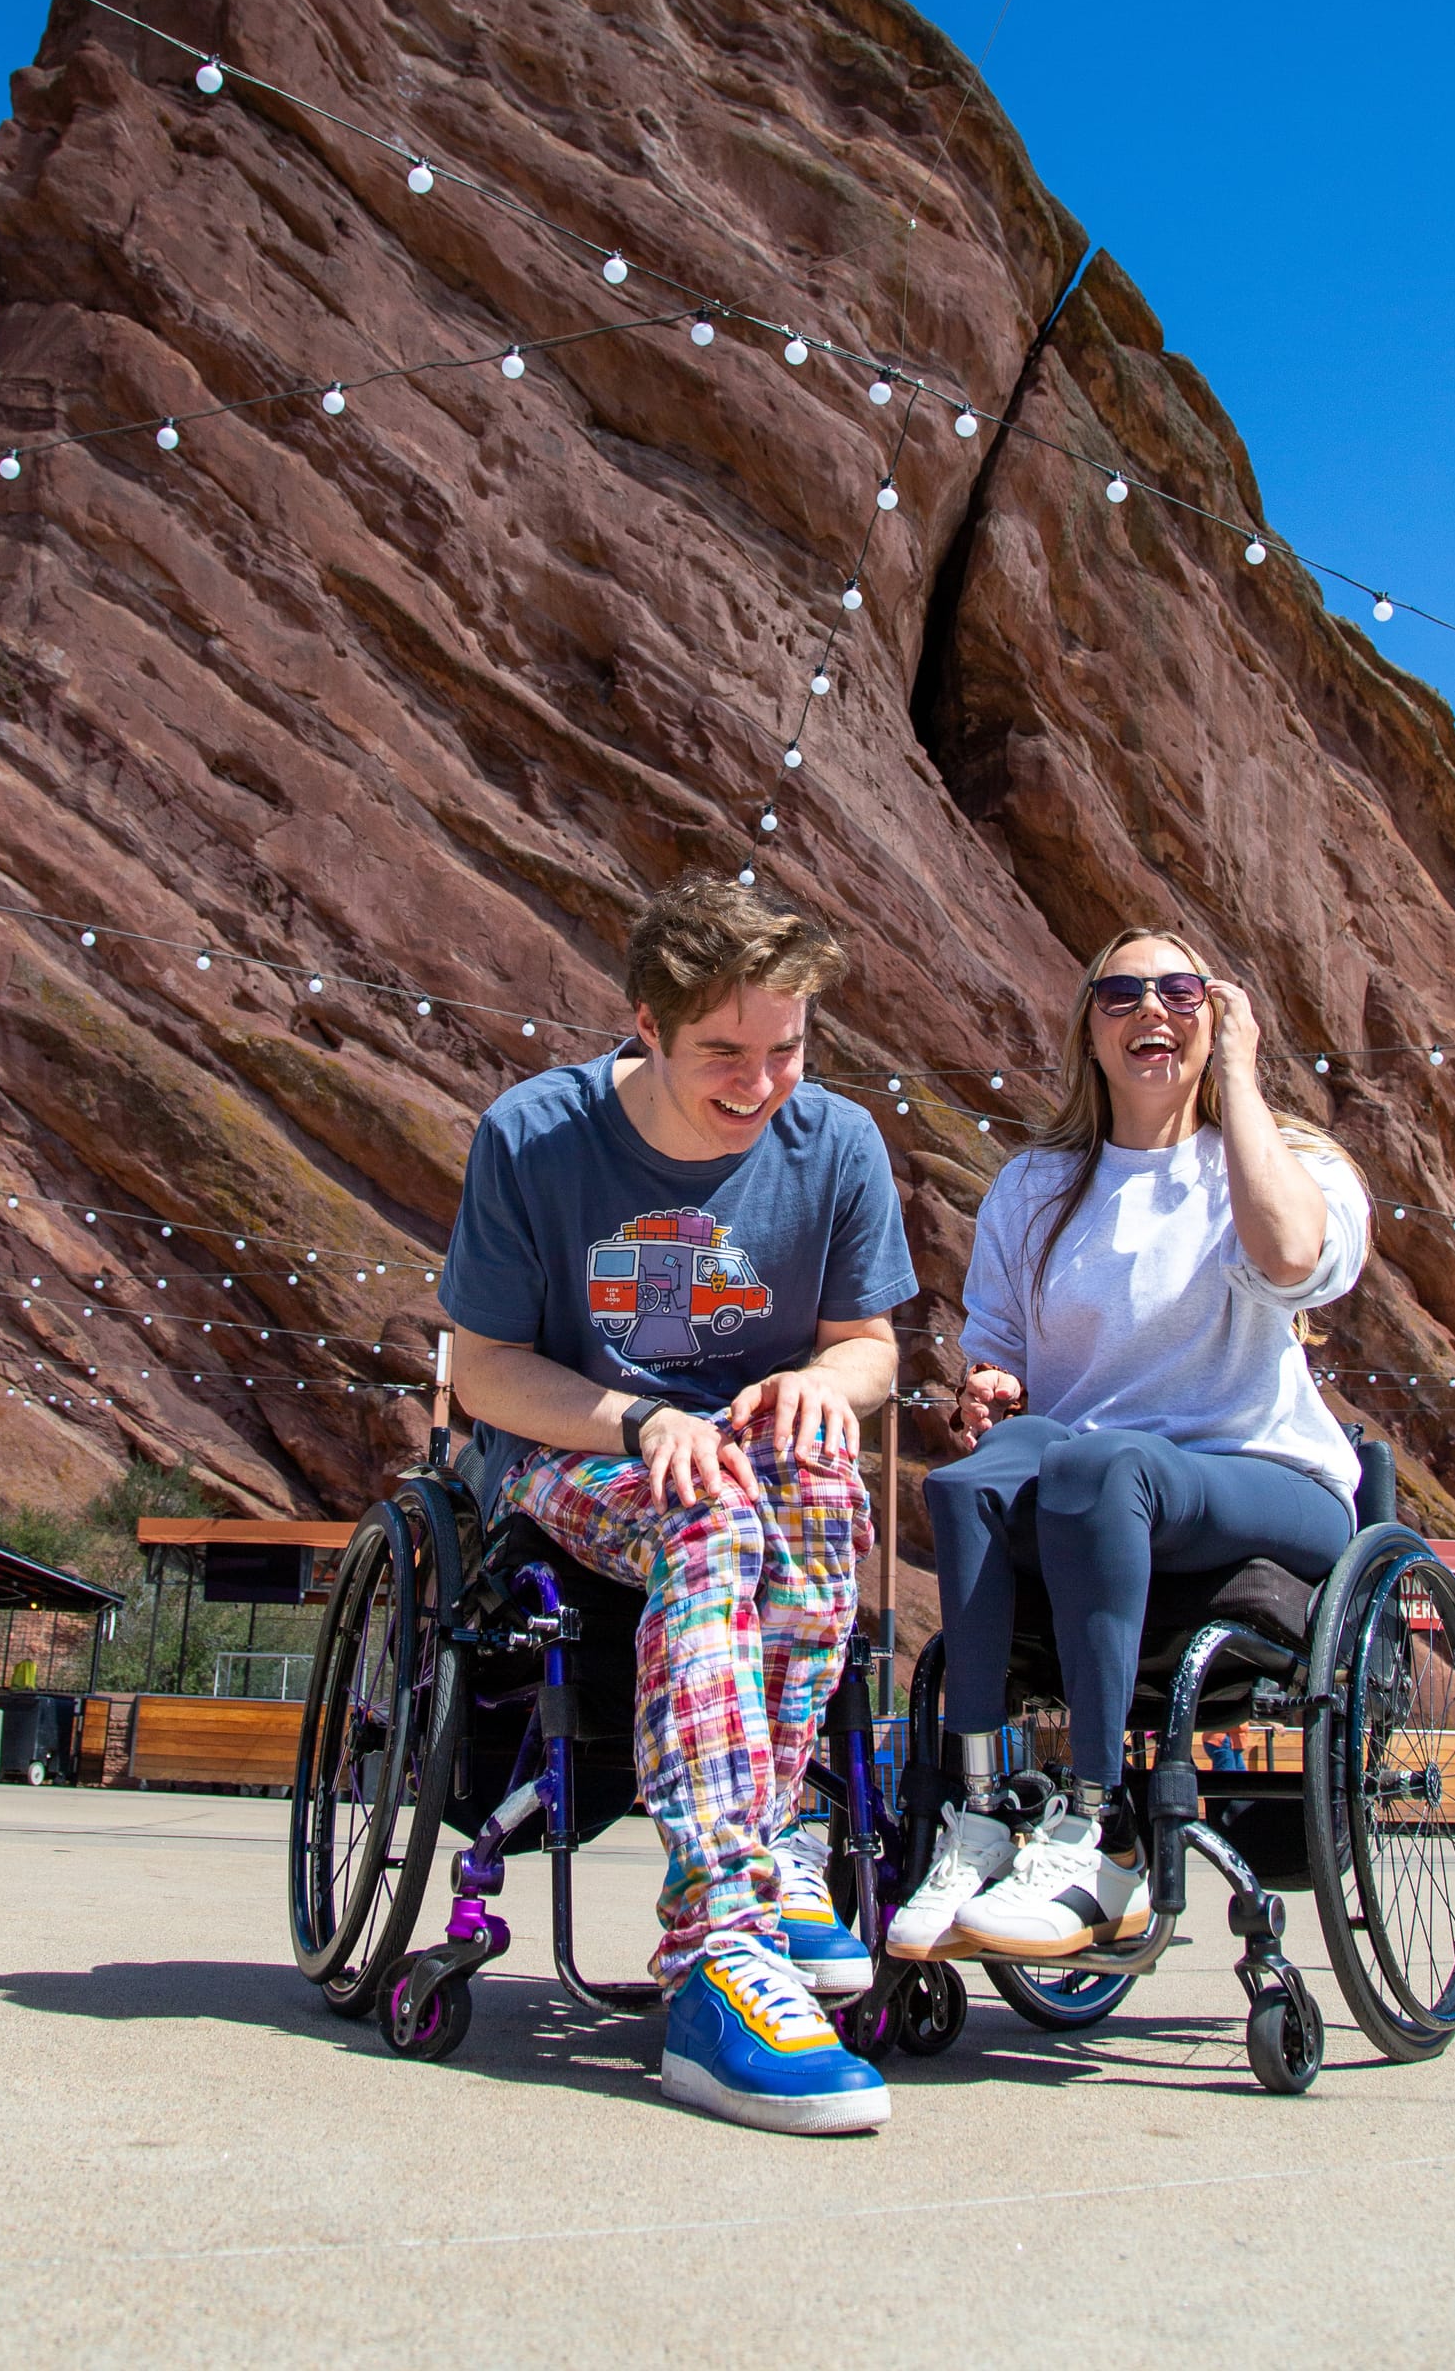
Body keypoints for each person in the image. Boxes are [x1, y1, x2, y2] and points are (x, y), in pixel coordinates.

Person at [438, 872, 917, 2135]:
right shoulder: (535, 1136)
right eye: (721, 1052)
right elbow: (483, 1371)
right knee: (707, 1516)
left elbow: (868, 1343)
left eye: (785, 1049)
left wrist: (823, 1386)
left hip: (753, 1456)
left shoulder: (839, 1142)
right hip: (577, 1449)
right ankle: (721, 1939)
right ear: (643, 1024)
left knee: (813, 1489)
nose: (758, 1084)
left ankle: (766, 1840)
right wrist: (647, 1421)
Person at [889, 925, 1368, 1963]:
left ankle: (1095, 1830)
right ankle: (973, 1820)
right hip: (1083, 1483)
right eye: (1121, 995)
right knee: (976, 1479)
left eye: (1180, 992)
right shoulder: (1033, 1186)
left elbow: (1289, 1256)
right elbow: (999, 1352)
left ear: (1217, 1016)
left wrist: (1237, 1076)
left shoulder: (1293, 1165)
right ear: (1089, 1034)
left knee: (1098, 1465)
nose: (1150, 1009)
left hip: (1263, 1478)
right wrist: (990, 1388)